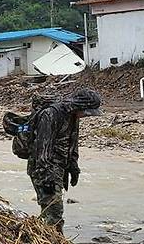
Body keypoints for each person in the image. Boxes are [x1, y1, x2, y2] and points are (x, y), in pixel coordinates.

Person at [29, 88, 102, 232]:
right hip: (43, 170)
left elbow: (72, 143)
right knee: (53, 211)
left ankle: (50, 242)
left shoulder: (73, 116)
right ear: (78, 105)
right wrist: (47, 178)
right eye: (86, 112)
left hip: (59, 168)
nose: (85, 116)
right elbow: (42, 149)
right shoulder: (50, 115)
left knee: (53, 210)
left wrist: (74, 167)